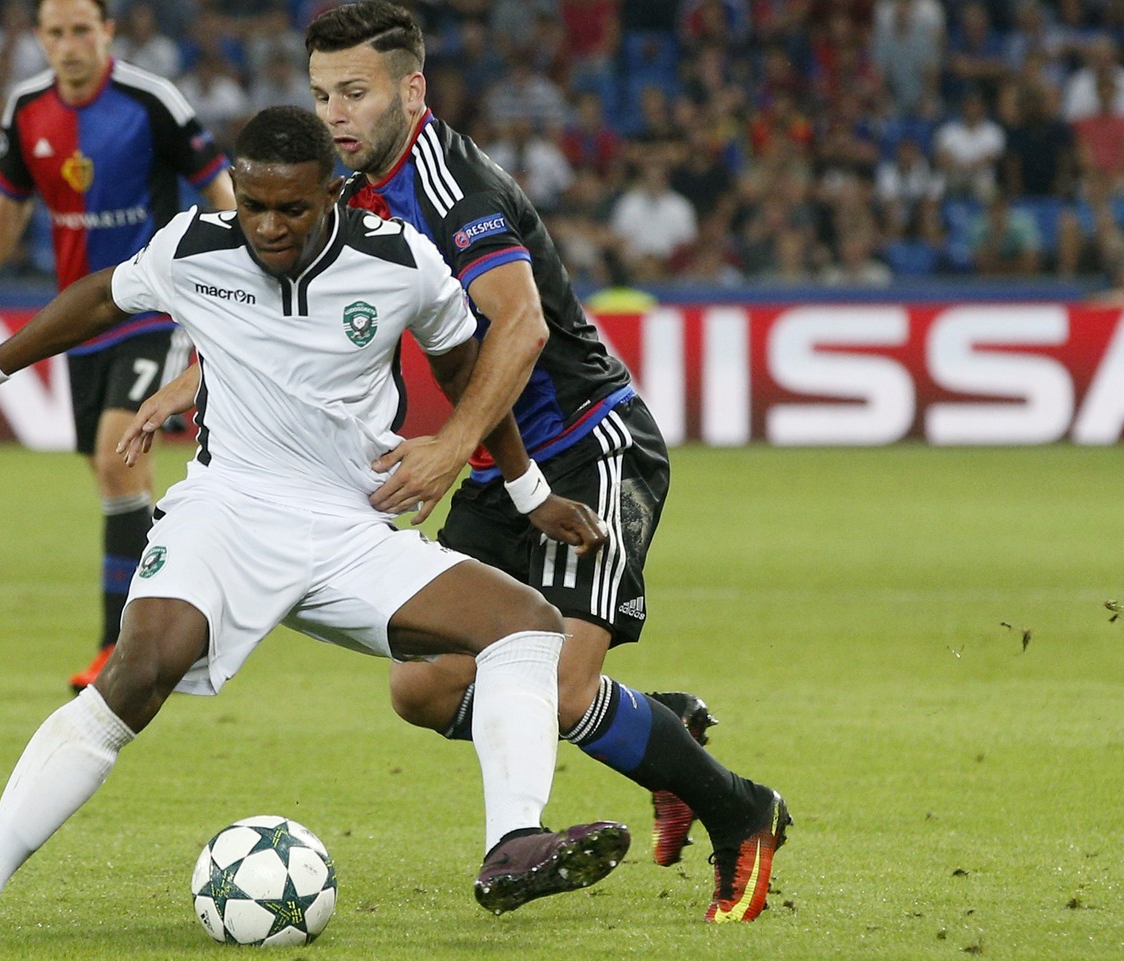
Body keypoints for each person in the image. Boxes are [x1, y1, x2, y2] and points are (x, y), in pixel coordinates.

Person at [0, 106, 630, 937]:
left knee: (525, 624)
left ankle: (514, 844)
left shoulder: (400, 263)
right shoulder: (190, 246)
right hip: (226, 511)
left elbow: (465, 373)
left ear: (337, 195)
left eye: (293, 209)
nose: (269, 227)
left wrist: (529, 492)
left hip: (351, 526)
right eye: (254, 206)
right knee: (140, 667)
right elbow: (101, 297)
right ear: (236, 190)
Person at [120, 1, 789, 923]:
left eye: (354, 93)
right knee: (425, 687)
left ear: (412, 88)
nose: (334, 115)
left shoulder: (451, 186)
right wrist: (195, 374)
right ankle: (645, 727)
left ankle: (739, 809)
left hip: (582, 449)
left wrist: (446, 444)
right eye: (321, 95)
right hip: (494, 464)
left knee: (554, 686)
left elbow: (521, 324)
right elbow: (288, 311)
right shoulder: (342, 188)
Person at [0, 0, 237, 693]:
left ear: (107, 33)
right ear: (39, 39)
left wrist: (234, 276)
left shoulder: (150, 100)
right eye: (56, 32)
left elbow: (215, 187)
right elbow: (9, 206)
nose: (69, 44)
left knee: (115, 460)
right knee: (122, 484)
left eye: (82, 30)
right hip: (81, 318)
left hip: (154, 305)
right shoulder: (26, 110)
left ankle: (120, 646)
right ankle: (188, 619)